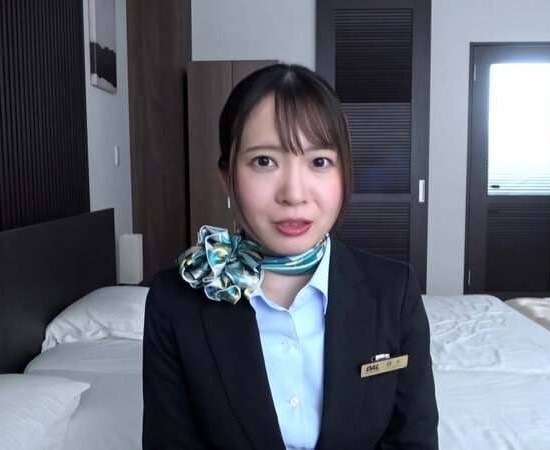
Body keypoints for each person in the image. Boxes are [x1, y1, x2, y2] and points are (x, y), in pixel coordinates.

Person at [142, 63, 438, 449]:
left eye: (319, 162)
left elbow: (412, 440)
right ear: (227, 176)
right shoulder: (174, 303)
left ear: (344, 173)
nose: (294, 194)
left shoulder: (394, 291)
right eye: (264, 161)